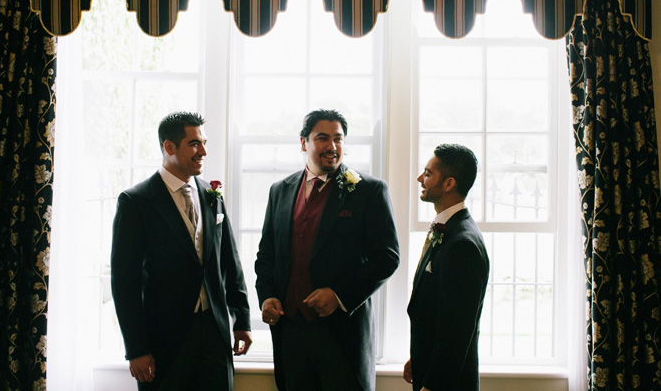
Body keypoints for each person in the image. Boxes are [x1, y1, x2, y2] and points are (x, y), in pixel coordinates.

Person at [255, 109, 400, 391]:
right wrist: (267, 295)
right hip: (290, 333)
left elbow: (387, 257)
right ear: (303, 143)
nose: (332, 147)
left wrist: (339, 295)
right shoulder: (279, 191)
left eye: (338, 138)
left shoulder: (369, 191)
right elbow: (267, 255)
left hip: (342, 335)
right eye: (322, 138)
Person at [111, 111, 252, 391]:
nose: (204, 151)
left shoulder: (212, 196)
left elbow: (229, 263)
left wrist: (242, 320)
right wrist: (136, 348)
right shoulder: (136, 202)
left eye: (204, 142)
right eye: (195, 144)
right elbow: (125, 282)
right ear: (169, 147)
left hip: (214, 333)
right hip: (165, 339)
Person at [404, 144, 490, 391]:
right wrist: (420, 357)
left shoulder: (462, 244)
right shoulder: (448, 228)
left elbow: (457, 329)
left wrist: (433, 385)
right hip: (430, 365)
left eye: (428, 173)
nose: (420, 178)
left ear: (449, 183)